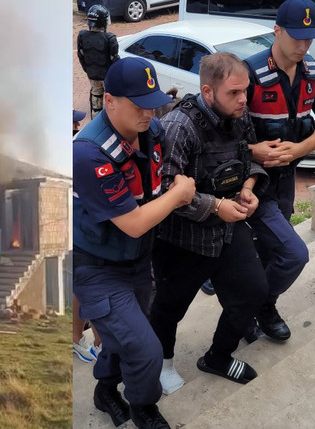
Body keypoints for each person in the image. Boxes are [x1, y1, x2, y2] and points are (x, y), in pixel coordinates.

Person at [74, 56, 196, 429]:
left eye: (151, 101)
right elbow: (132, 223)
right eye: (138, 104)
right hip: (98, 267)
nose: (148, 112)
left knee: (123, 336)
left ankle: (105, 389)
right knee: (146, 350)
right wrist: (179, 194)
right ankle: (143, 407)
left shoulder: (150, 130)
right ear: (109, 100)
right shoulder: (89, 152)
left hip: (139, 262)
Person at [149, 52, 269, 393]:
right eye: (234, 92)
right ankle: (163, 364)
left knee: (253, 291)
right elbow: (165, 192)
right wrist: (216, 206)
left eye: (245, 90)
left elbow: (248, 160)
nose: (243, 99)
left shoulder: (239, 114)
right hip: (182, 239)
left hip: (228, 228)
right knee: (169, 307)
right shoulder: (179, 127)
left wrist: (248, 187)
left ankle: (218, 356)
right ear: (207, 92)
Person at [242, 0, 315, 343]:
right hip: (254, 183)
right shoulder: (249, 72)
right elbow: (223, 133)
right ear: (276, 31)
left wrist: (298, 150)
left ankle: (255, 308)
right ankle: (259, 306)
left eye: (309, 38)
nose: (303, 45)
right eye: (296, 36)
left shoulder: (313, 72)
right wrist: (253, 149)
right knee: (294, 254)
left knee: (270, 252)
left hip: (286, 183)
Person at [77, 5, 119, 119]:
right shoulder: (110, 38)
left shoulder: (82, 36)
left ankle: (96, 126)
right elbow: (115, 61)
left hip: (93, 76)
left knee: (96, 105)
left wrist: (89, 71)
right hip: (107, 77)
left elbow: (81, 56)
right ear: (102, 21)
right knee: (112, 103)